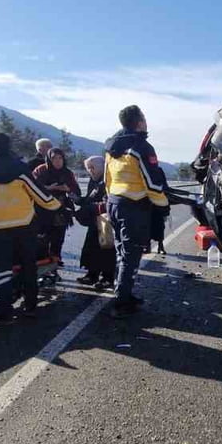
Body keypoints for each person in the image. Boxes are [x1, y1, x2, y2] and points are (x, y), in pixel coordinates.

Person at [0, 132, 62, 320]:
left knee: (2, 266)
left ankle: (4, 308)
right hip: (23, 223)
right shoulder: (19, 167)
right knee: (28, 264)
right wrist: (57, 205)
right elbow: (40, 194)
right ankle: (30, 305)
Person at [104, 104, 167, 318]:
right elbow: (152, 183)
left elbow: (107, 178)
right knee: (131, 254)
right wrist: (163, 202)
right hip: (133, 206)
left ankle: (123, 293)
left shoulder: (112, 146)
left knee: (122, 252)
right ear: (139, 122)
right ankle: (121, 303)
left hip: (114, 201)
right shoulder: (141, 147)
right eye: (144, 118)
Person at [31, 146, 80, 261]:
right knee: (41, 239)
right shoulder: (41, 170)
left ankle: (55, 261)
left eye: (60, 158)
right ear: (49, 159)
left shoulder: (67, 173)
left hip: (60, 210)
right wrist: (48, 188)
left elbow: (76, 192)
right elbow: (32, 187)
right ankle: (42, 263)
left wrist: (67, 189)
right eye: (54, 158)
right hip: (42, 210)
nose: (57, 161)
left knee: (58, 238)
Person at [76, 155, 117, 290]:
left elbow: (110, 201)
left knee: (106, 249)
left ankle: (108, 278)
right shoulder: (93, 181)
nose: (90, 171)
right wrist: (78, 200)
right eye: (88, 168)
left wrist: (93, 206)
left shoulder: (109, 180)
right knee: (91, 247)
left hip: (106, 221)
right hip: (94, 220)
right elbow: (89, 198)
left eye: (93, 167)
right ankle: (91, 274)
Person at [143, 151, 170, 255]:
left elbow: (164, 184)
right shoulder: (142, 170)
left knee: (160, 225)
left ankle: (160, 246)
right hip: (146, 203)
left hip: (158, 202)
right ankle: (147, 246)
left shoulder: (159, 171)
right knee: (146, 225)